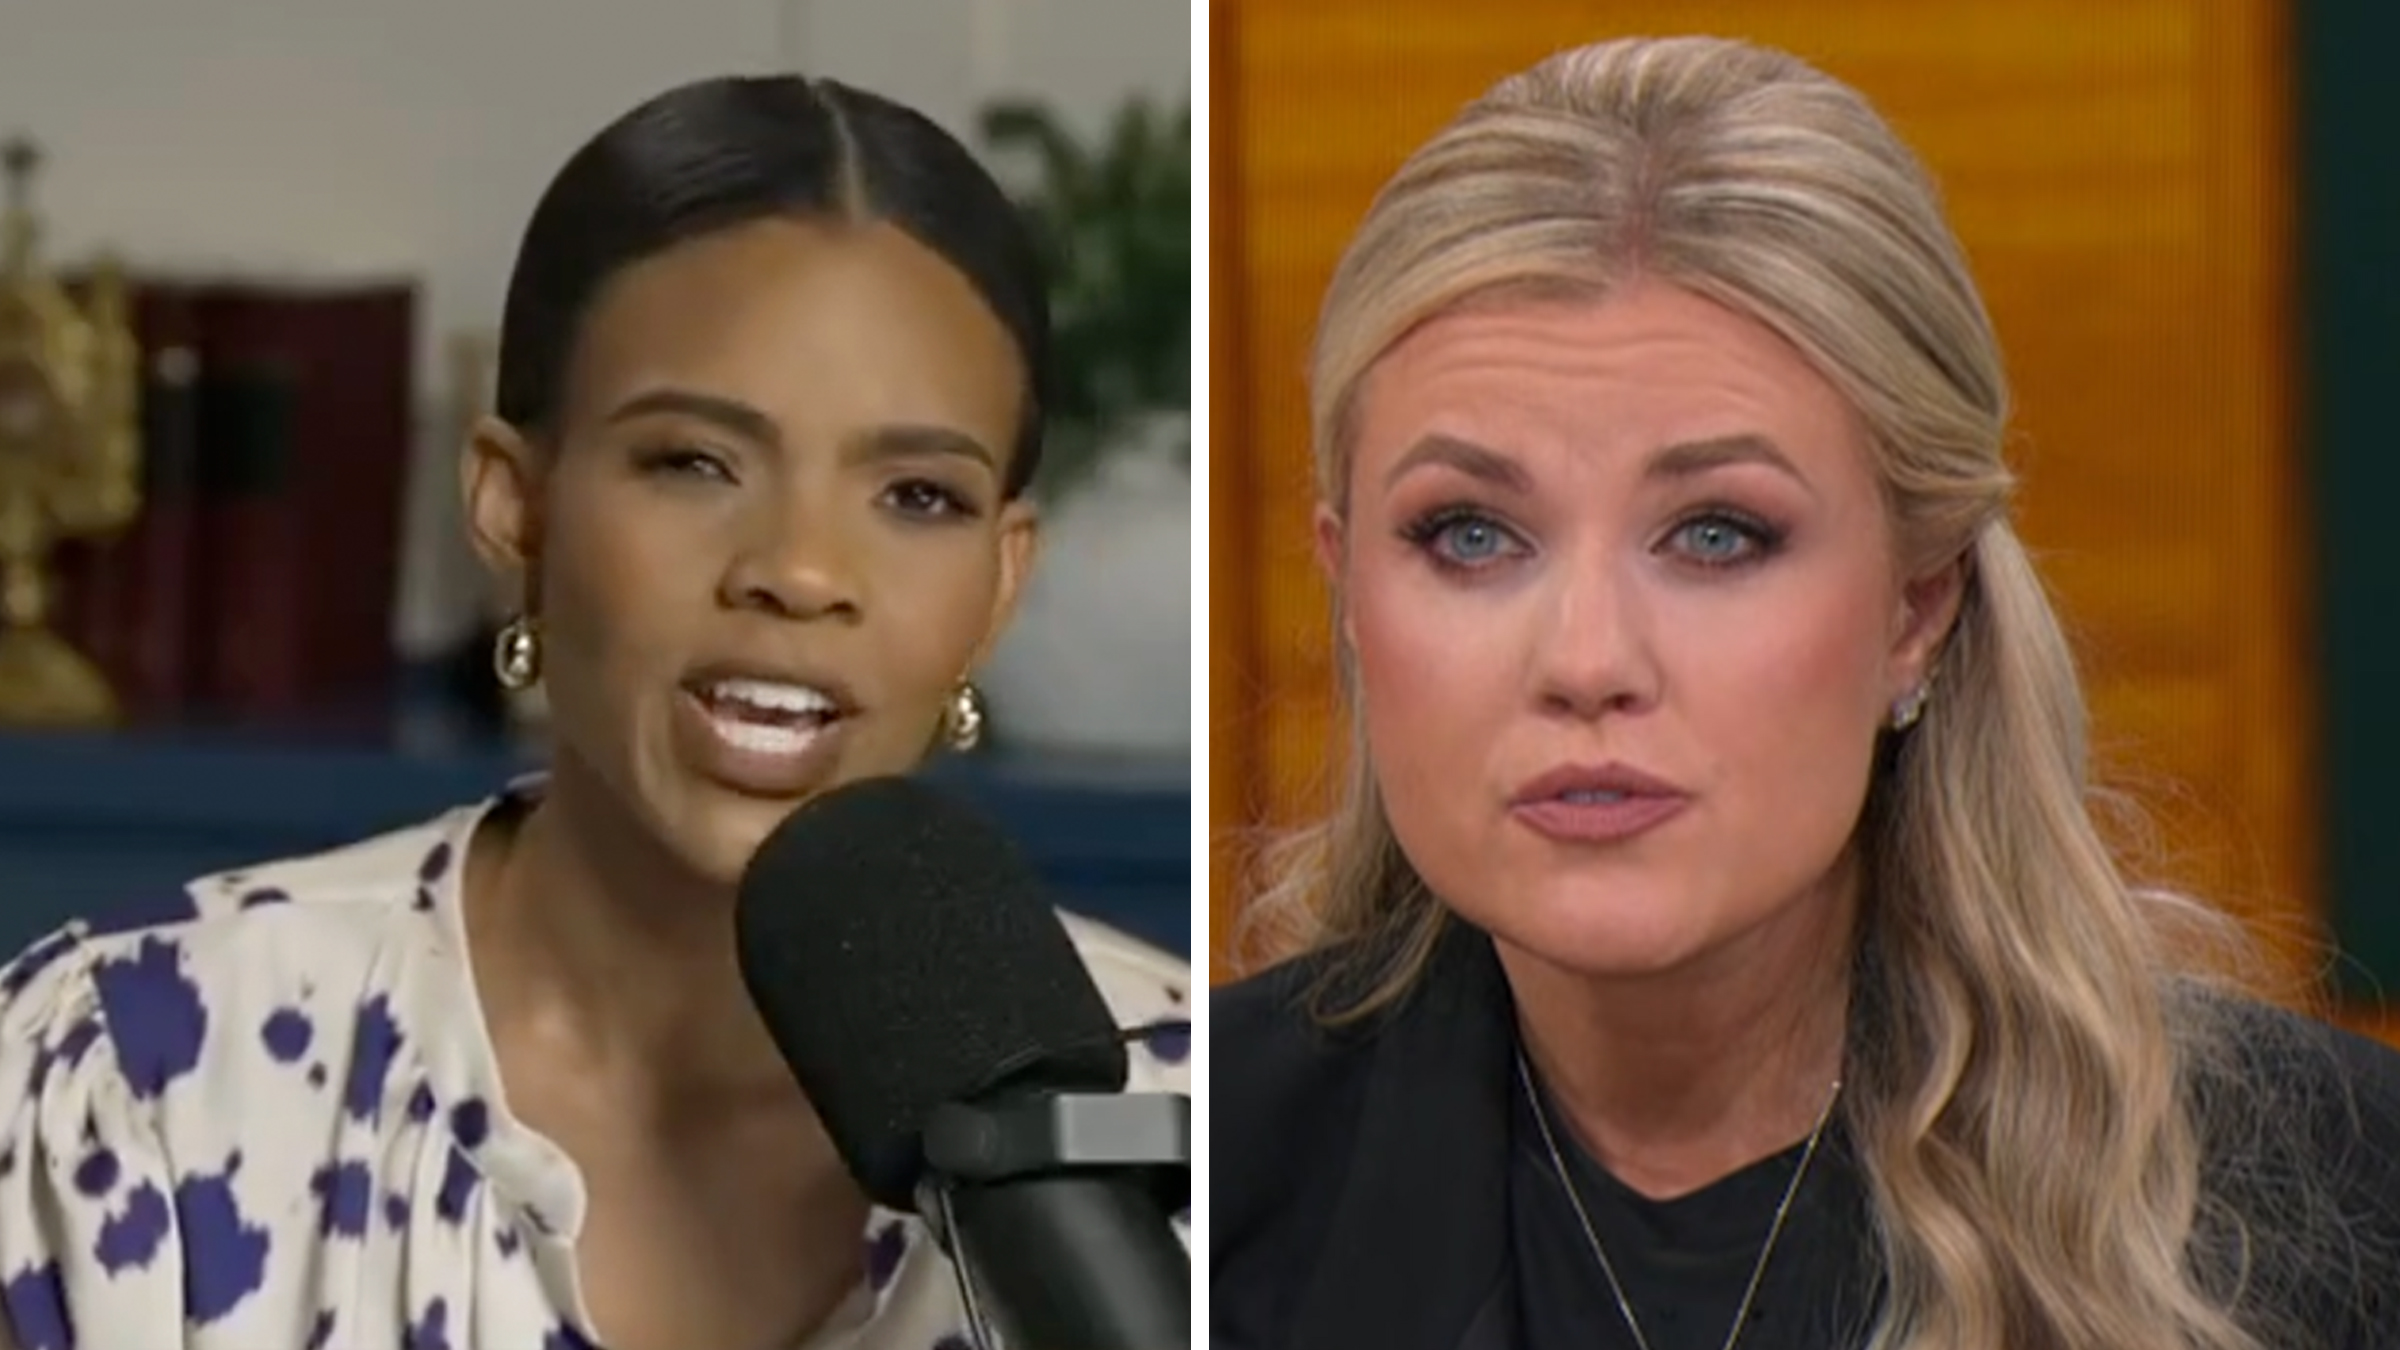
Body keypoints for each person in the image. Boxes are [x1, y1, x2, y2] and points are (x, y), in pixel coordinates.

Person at [1212, 34, 2400, 1350]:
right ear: (1349, 593)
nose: (1589, 660)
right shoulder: (1167, 1205)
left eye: (1717, 533)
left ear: (1917, 607)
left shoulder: (2329, 1202)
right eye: (1472, 535)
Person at [0, 74, 1189, 1350]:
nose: (798, 570)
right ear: (516, 504)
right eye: (693, 462)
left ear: (1003, 579)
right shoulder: (133, 1078)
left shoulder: (1202, 1130)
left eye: (916, 497)